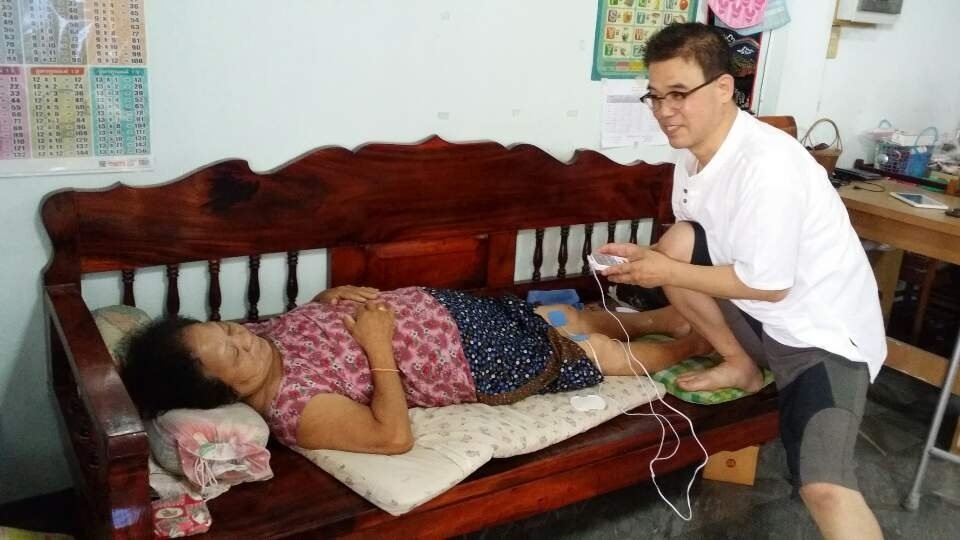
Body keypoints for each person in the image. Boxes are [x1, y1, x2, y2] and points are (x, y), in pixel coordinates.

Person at [597, 22, 885, 540]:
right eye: (655, 96)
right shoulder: (694, 157)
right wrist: (658, 263)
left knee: (824, 487)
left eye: (679, 94)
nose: (664, 110)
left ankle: (734, 356)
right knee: (678, 240)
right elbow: (700, 251)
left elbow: (771, 286)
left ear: (724, 88)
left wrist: (664, 271)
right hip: (758, 321)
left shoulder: (767, 166)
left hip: (819, 337)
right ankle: (741, 365)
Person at [121, 285, 711, 455]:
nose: (242, 336)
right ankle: (696, 342)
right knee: (591, 350)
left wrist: (327, 300)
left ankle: (658, 315)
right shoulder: (295, 408)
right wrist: (378, 345)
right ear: (221, 389)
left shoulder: (259, 336)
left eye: (226, 327)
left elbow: (307, 328)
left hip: (454, 311)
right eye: (232, 351)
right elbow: (393, 437)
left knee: (562, 314)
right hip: (475, 359)